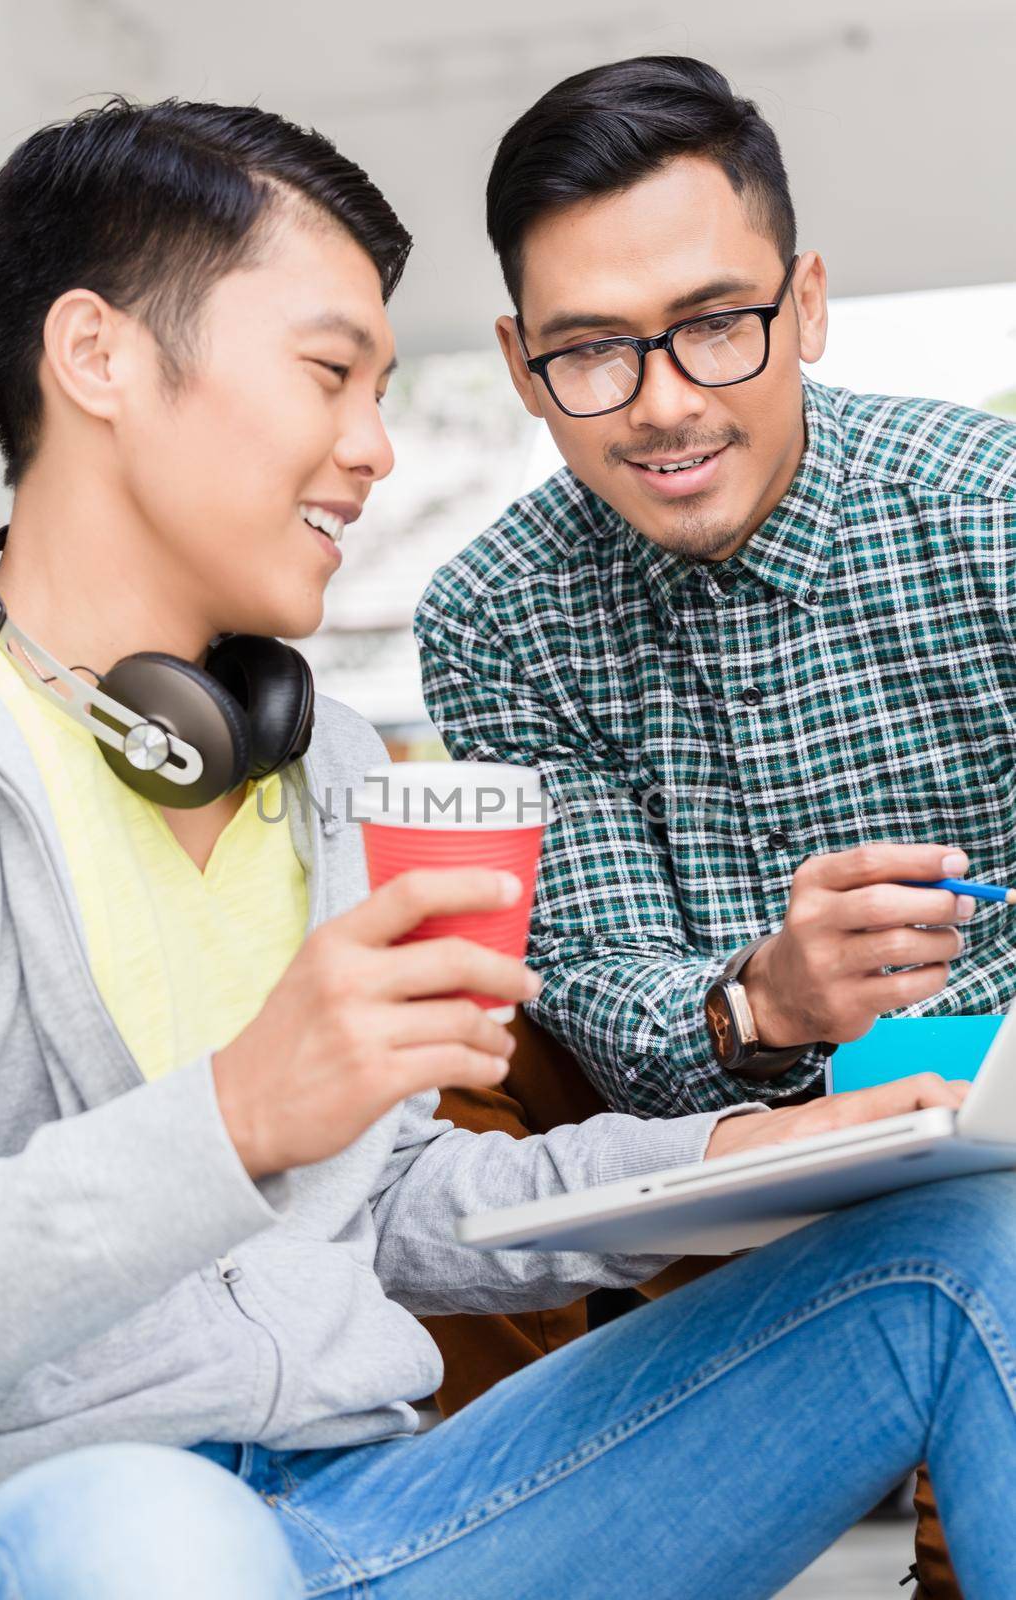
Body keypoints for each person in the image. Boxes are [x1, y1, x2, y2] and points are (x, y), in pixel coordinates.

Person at [0, 95, 1012, 1600]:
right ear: (98, 355)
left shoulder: (315, 765)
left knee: (971, 1252)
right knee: (152, 1541)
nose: (378, 450)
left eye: (383, 385)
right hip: (82, 1530)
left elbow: (388, 1203)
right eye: (331, 373)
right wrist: (238, 1116)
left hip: (383, 1509)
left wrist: (734, 1148)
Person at [412, 53, 1016, 1596]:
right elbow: (595, 976)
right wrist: (765, 1001)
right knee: (443, 1048)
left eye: (716, 327)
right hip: (696, 1149)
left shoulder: (990, 510)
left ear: (805, 303)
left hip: (1000, 1134)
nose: (664, 404)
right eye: (593, 354)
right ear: (519, 358)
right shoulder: (495, 612)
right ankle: (498, 1524)